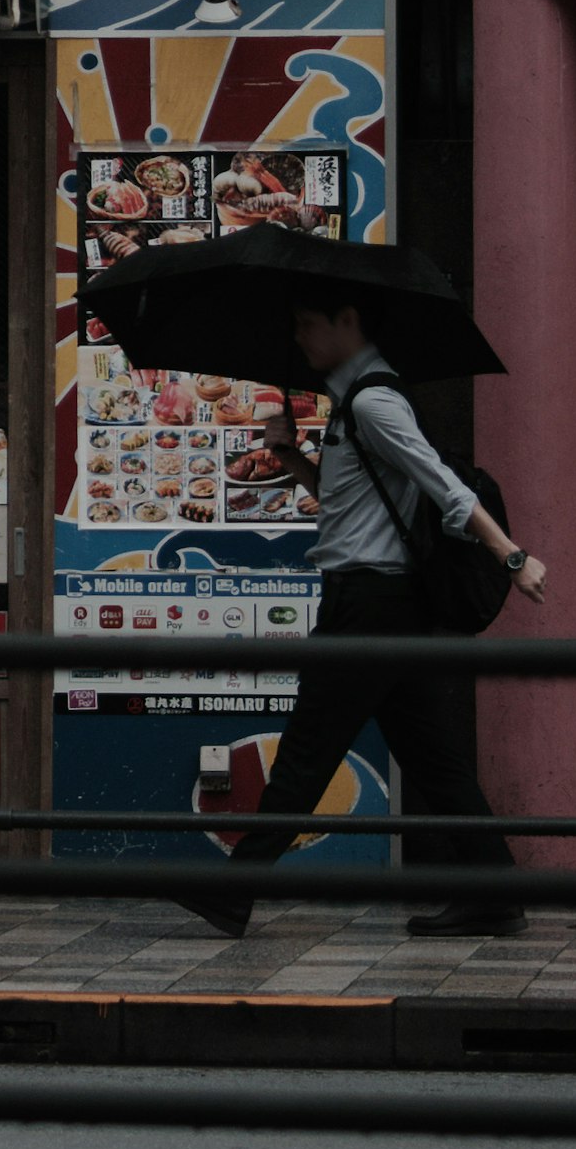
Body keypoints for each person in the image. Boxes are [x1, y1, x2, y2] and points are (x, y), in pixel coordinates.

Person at [185, 298, 549, 942]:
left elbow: (445, 487)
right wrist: (290, 456)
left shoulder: (375, 403)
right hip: (377, 603)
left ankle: (234, 888)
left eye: (309, 320)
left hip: (369, 605)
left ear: (348, 320)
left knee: (308, 750)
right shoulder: (352, 404)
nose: (300, 333)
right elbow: (348, 507)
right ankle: (497, 892)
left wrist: (512, 557)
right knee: (434, 760)